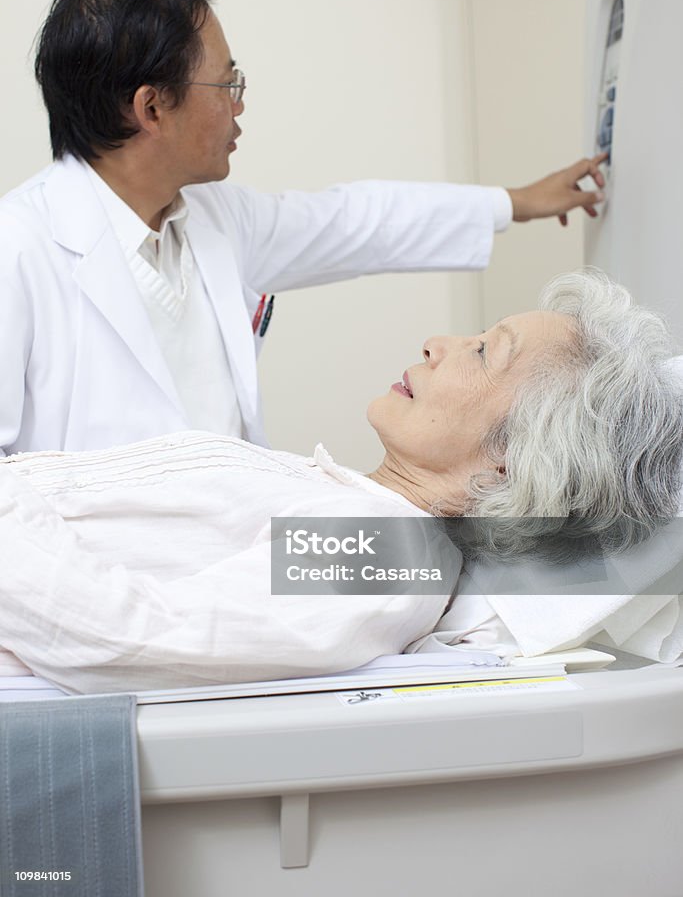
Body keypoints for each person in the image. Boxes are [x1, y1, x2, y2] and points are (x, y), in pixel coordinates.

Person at [0, 0, 607, 457]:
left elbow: (357, 222)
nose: (239, 106)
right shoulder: (20, 250)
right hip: (100, 590)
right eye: (227, 84)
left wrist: (516, 202)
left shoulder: (213, 219)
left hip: (233, 558)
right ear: (152, 108)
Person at [0, 270, 680, 695]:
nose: (437, 343)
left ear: (515, 454)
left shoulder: (386, 550)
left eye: (481, 351)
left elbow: (131, 638)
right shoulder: (364, 513)